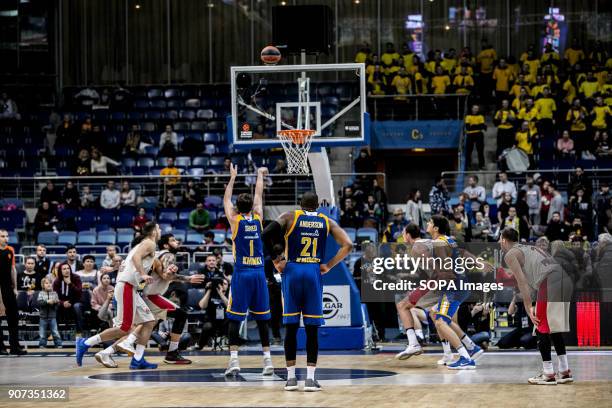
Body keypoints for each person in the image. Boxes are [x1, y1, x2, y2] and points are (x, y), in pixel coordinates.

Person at [263, 191, 352, 392]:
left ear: (299, 204)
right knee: (312, 329)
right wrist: (328, 265)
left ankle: (291, 379)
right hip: (313, 271)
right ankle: (310, 379)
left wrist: (277, 259)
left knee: (291, 327)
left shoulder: (290, 216)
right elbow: (348, 244)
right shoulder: (326, 220)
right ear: (318, 206)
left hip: (292, 270)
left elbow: (265, 234)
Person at [104, 234, 204, 367]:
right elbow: (167, 276)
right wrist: (187, 279)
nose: (177, 242)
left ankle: (108, 351)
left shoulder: (155, 254)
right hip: (150, 295)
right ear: (166, 245)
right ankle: (172, 353)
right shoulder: (168, 255)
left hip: (141, 293)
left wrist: (113, 269)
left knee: (144, 327)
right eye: (173, 240)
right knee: (180, 314)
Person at [75, 222, 160, 369]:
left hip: (129, 287)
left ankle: (138, 359)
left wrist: (113, 268)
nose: (160, 230)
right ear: (153, 232)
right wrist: (143, 274)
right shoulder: (149, 243)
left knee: (149, 322)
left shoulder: (141, 245)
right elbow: (136, 259)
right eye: (158, 228)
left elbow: (126, 263)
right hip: (127, 286)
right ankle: (86, 343)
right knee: (124, 328)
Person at [500, 228, 574, 385]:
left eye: (500, 239)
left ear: (504, 240)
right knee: (553, 328)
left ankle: (548, 373)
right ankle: (564, 370)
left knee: (540, 326)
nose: (500, 242)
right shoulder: (529, 247)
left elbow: (521, 281)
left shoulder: (510, 254)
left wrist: (528, 306)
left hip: (550, 281)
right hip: (564, 278)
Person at [222, 164, 274, 376]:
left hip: (242, 273)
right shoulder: (259, 218)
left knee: (235, 317)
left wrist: (233, 177)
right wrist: (259, 174)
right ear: (252, 206)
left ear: (237, 207)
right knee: (262, 318)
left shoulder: (235, 221)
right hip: (259, 273)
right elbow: (259, 194)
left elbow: (226, 200)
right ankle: (268, 360)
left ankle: (234, 360)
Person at [0, 229, 26, 354]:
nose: (5, 238)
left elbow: (13, 270)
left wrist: (15, 288)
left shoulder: (10, 250)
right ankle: (1, 347)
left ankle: (15, 346)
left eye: (6, 236)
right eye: (2, 236)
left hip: (8, 287)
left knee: (13, 317)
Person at [53, 262, 85, 337]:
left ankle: (79, 331)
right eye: (64, 269)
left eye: (68, 268)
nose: (67, 270)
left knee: (77, 307)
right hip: (63, 303)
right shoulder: (57, 281)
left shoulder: (76, 278)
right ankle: (54, 332)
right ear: (60, 271)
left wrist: (70, 283)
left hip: (75, 302)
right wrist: (62, 303)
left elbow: (79, 293)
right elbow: (55, 296)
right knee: (55, 306)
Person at [37, 277, 62, 348]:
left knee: (55, 331)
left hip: (52, 316)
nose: (48, 284)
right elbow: (39, 302)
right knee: (42, 332)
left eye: (50, 283)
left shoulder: (54, 293)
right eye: (46, 283)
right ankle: (42, 344)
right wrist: (47, 302)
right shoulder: (41, 293)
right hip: (43, 317)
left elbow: (58, 303)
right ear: (43, 285)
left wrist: (54, 303)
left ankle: (58, 344)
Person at [464, 105, 487, 169]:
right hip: (470, 135)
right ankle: (468, 165)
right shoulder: (468, 116)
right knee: (469, 151)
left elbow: (482, 126)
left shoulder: (481, 116)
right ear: (472, 109)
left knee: (480, 151)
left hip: (479, 134)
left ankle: (481, 165)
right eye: (474, 108)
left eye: (477, 108)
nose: (476, 110)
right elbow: (468, 127)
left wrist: (473, 126)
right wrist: (477, 126)